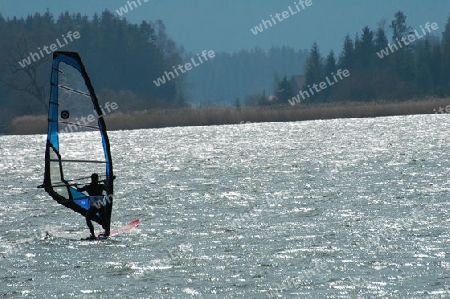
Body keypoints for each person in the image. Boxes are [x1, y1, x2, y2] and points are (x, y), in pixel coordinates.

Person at [75, 173, 109, 239]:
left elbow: (79, 190)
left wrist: (76, 186)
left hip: (94, 206)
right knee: (104, 219)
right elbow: (108, 189)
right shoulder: (100, 186)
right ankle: (106, 231)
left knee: (88, 219)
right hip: (100, 205)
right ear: (97, 179)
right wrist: (105, 183)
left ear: (91, 179)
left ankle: (93, 234)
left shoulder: (88, 187)